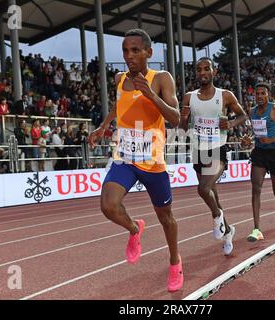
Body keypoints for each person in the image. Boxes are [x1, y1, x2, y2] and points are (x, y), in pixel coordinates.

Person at [88, 29, 183, 292]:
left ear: (148, 53)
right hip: (125, 158)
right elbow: (119, 107)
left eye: (135, 50)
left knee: (166, 218)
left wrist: (151, 95)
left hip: (152, 161)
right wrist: (103, 126)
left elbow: (176, 119)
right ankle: (134, 228)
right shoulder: (119, 78)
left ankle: (175, 262)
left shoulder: (161, 78)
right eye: (125, 51)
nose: (129, 56)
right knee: (108, 205)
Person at [179, 57, 247, 255]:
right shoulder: (188, 97)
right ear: (196, 73)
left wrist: (232, 124)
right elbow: (182, 129)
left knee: (203, 188)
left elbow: (243, 115)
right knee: (213, 195)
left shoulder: (225, 95)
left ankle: (217, 217)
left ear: (213, 71)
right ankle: (228, 231)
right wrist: (183, 119)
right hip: (198, 150)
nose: (202, 72)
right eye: (199, 69)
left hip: (218, 149)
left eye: (206, 68)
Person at [243, 83, 275, 242]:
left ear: (269, 95)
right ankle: (256, 229)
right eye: (257, 94)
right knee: (255, 188)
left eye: (262, 93)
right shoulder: (252, 112)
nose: (259, 96)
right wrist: (248, 141)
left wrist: (273, 139)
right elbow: (256, 133)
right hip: (259, 152)